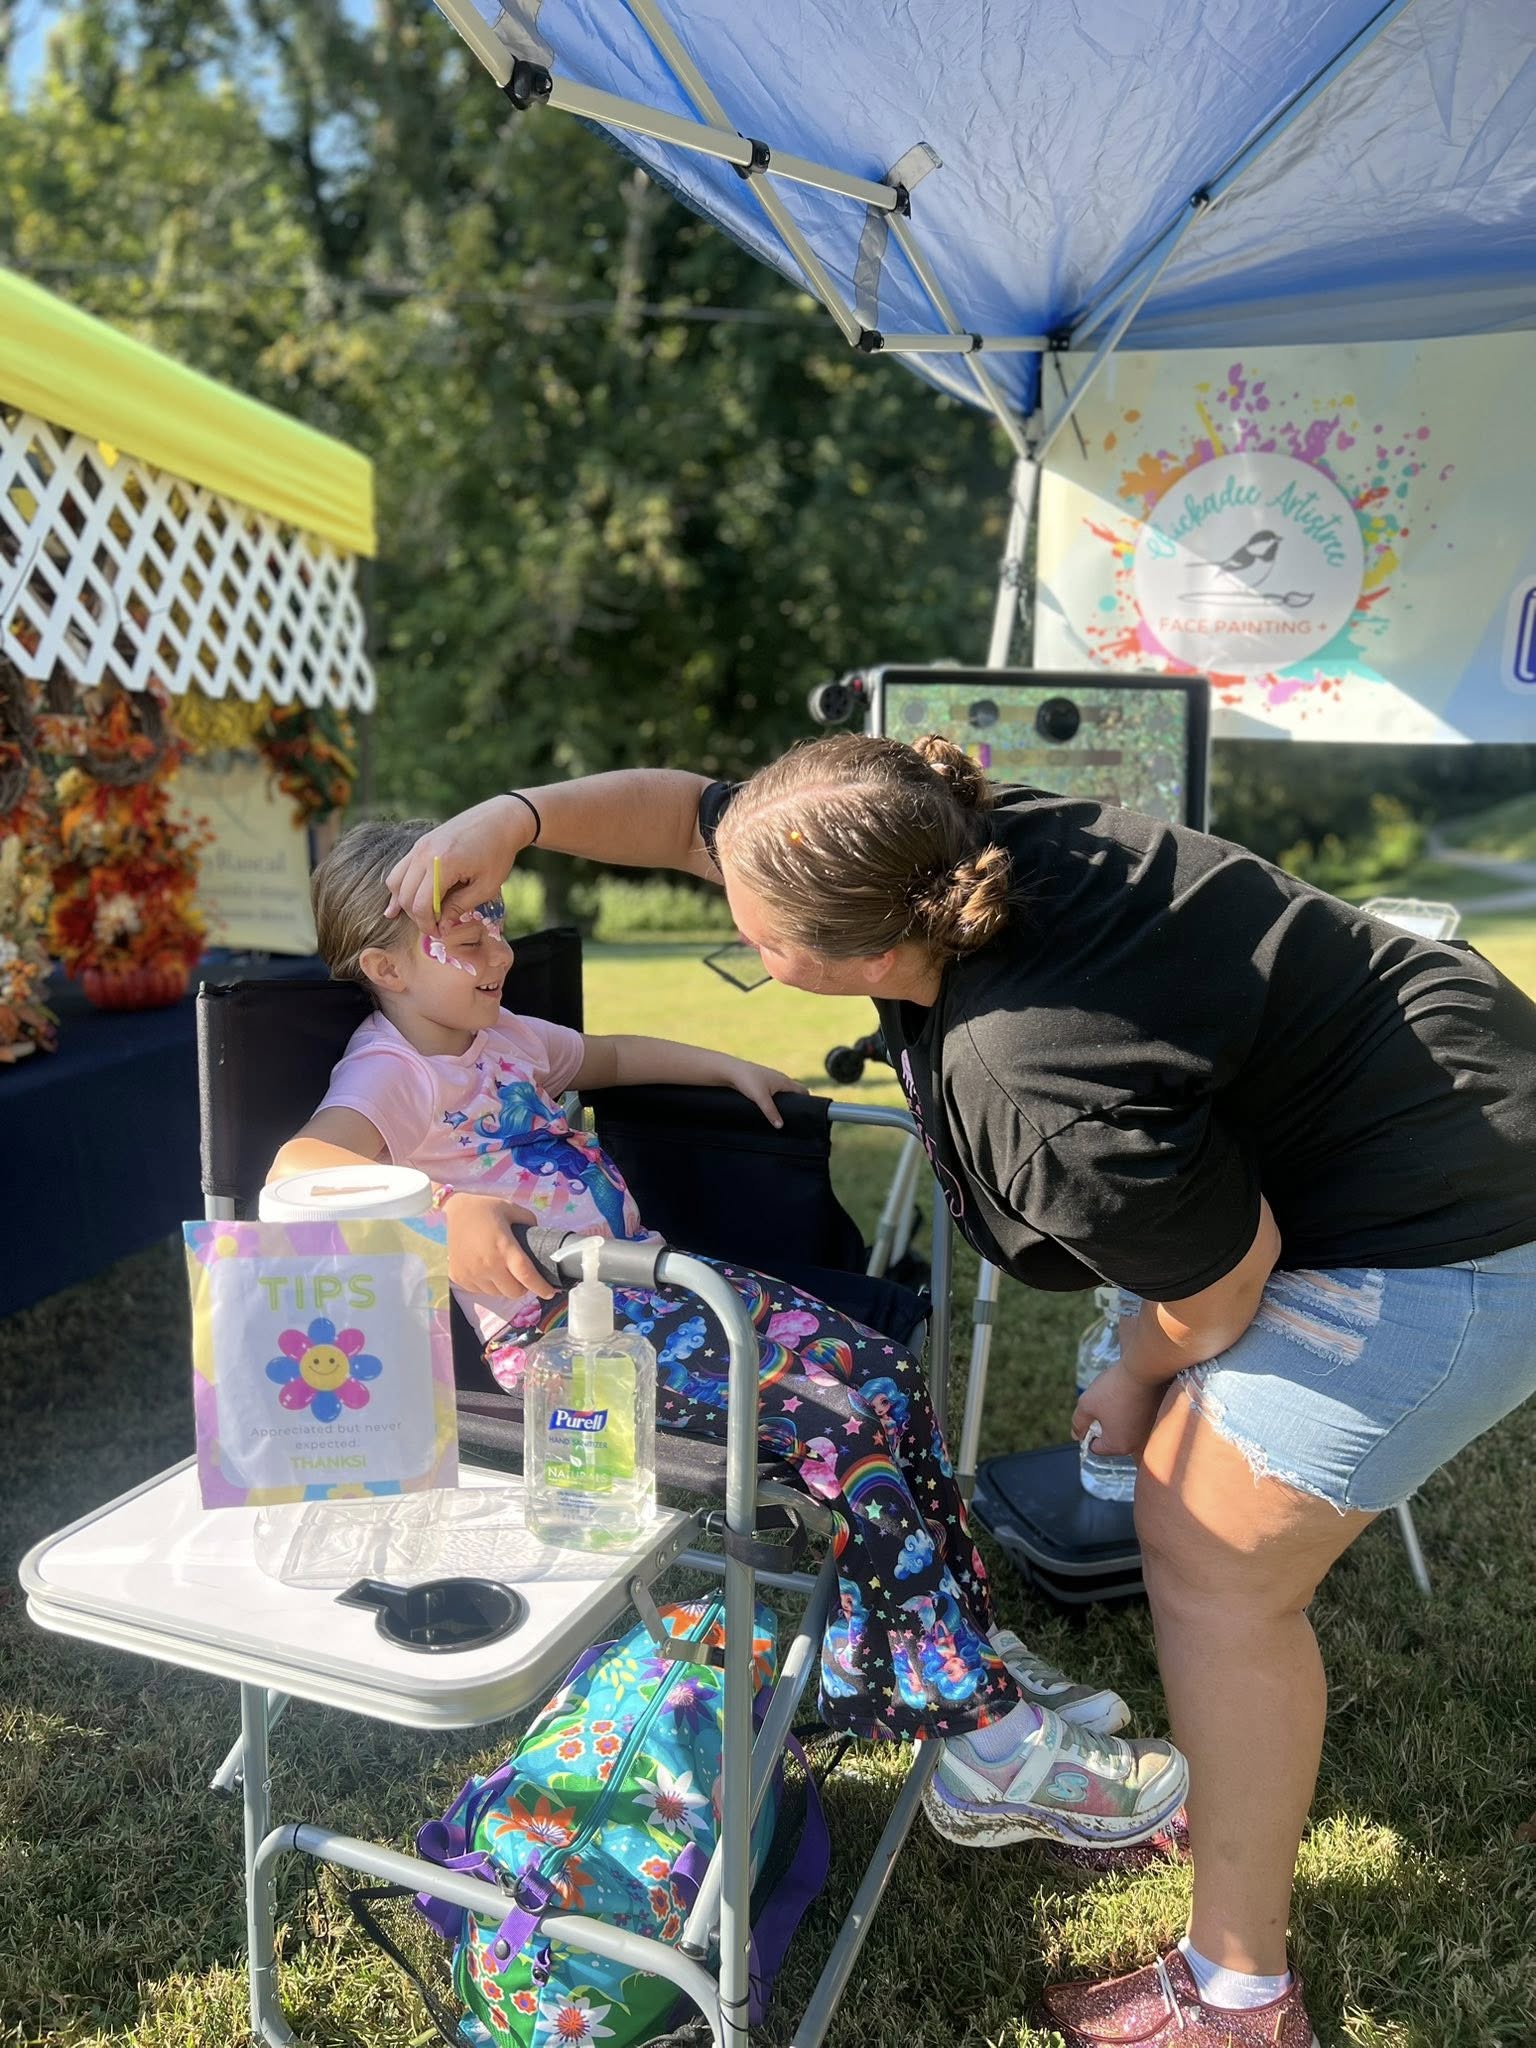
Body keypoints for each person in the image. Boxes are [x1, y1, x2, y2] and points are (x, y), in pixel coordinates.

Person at [384, 740, 1536, 2048]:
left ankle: (1238, 1998)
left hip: (1454, 1227)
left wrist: (1132, 1373)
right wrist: (512, 814)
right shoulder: (946, 836)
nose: (744, 944)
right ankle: (1029, 1731)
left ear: (873, 957)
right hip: (1451, 1084)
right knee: (1190, 1530)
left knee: (1212, 1553)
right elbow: (686, 817)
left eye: (754, 944)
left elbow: (1224, 1290)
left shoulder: (1035, 1079)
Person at [271, 817, 1189, 1860]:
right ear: (386, 964)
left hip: (664, 1295)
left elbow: (611, 1055)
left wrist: (728, 1067)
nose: (499, 949)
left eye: (494, 918)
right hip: (569, 1353)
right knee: (841, 1431)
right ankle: (990, 1746)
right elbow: (297, 1173)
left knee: (885, 1375)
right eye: (463, 933)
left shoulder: (507, 1038)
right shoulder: (388, 1072)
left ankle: (959, 1650)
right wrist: (443, 1219)